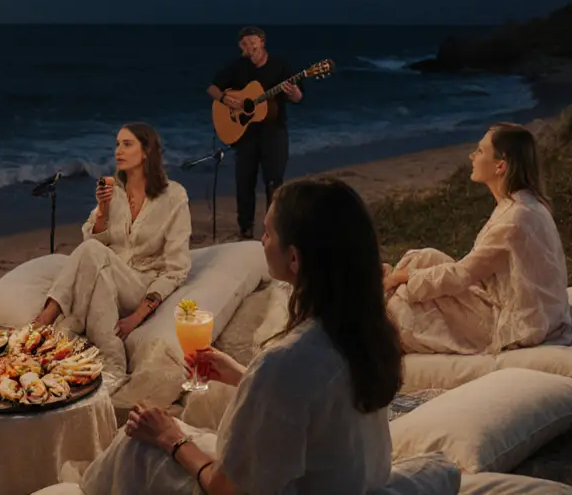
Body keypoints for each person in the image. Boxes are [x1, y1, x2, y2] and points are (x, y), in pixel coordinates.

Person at [80, 178, 403, 495]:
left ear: (294, 258)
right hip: (346, 481)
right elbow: (311, 400)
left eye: (268, 233)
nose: (261, 241)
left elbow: (227, 489)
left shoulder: (287, 360)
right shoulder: (362, 334)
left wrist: (170, 437)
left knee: (135, 444)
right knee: (201, 409)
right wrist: (244, 376)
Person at [384, 123, 571, 355]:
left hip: (517, 324)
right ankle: (383, 289)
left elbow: (461, 275)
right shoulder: (525, 204)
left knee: (402, 300)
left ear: (500, 166)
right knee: (424, 258)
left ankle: (377, 305)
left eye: (480, 151)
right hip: (528, 310)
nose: (472, 156)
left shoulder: (514, 219)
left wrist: (401, 278)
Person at [32, 123, 191, 373]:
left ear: (146, 151)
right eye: (117, 144)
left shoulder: (174, 197)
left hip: (140, 284)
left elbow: (176, 270)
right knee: (99, 283)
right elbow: (92, 246)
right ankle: (113, 365)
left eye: (127, 144)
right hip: (107, 275)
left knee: (92, 252)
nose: (118, 151)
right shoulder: (113, 191)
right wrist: (103, 212)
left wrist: (137, 316)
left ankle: (48, 318)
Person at [206, 26, 303, 240]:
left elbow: (298, 98)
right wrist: (224, 99)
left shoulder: (280, 66)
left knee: (274, 182)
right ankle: (245, 228)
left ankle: (273, 228)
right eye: (244, 43)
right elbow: (212, 88)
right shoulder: (236, 66)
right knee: (244, 182)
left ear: (262, 42)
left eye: (253, 42)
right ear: (240, 46)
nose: (249, 47)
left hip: (274, 132)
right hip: (244, 135)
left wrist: (294, 92)